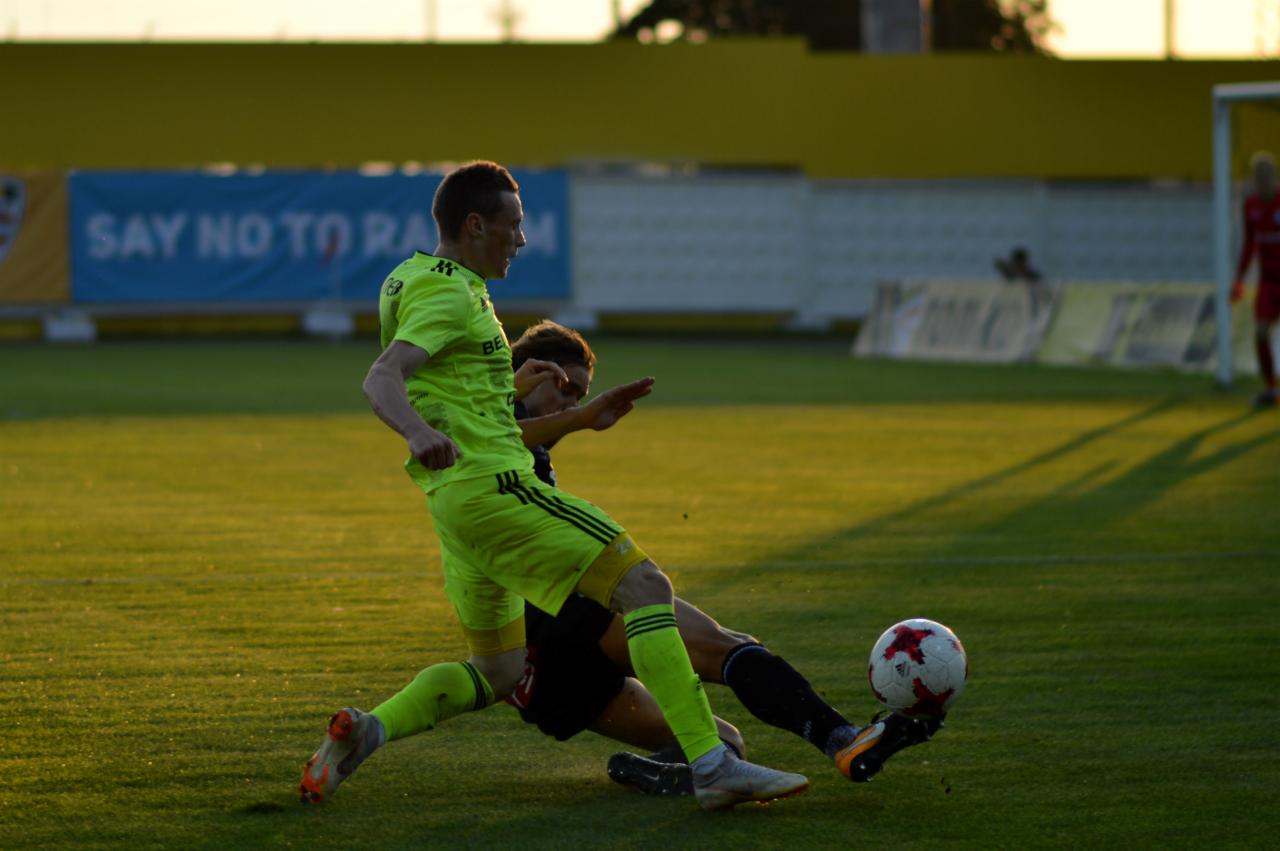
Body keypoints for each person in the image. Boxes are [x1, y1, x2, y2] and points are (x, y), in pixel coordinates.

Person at [299, 160, 809, 811]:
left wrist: (508, 389)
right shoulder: (452, 293)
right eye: (513, 224)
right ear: (476, 224)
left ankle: (371, 729)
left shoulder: (414, 277)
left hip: (457, 510)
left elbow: (447, 387)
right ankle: (711, 763)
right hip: (497, 489)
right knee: (645, 585)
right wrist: (414, 432)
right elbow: (383, 377)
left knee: (499, 670)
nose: (522, 239)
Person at [505, 320, 942, 798]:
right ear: (531, 372)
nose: (574, 405)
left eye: (580, 395)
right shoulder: (494, 433)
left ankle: (668, 771)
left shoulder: (520, 444)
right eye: (566, 391)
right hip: (561, 616)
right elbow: (488, 445)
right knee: (722, 645)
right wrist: (576, 416)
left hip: (538, 676)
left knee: (722, 743)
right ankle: (844, 739)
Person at [1231, 150, 1280, 409]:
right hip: (1269, 283)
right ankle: (1271, 389)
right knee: (1260, 333)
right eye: (1257, 177)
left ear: (1274, 177)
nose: (1262, 181)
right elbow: (1249, 244)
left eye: (1266, 176)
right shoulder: (1250, 205)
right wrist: (1239, 279)